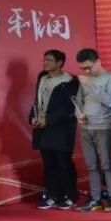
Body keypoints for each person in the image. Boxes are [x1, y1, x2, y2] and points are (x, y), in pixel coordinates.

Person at [74, 48, 111, 212]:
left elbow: (110, 101)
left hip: (105, 127)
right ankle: (95, 199)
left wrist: (91, 84)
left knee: (107, 164)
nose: (86, 71)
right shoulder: (84, 80)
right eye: (83, 68)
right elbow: (78, 101)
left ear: (98, 62)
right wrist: (78, 114)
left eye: (89, 67)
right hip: (86, 127)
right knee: (91, 166)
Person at [31, 49, 79, 210]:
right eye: (44, 59)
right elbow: (37, 102)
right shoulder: (42, 79)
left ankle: (70, 195)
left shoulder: (70, 82)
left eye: (49, 60)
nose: (45, 63)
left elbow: (69, 108)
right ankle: (53, 195)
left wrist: (49, 120)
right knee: (48, 163)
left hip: (62, 129)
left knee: (63, 162)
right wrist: (33, 118)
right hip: (43, 129)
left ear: (59, 63)